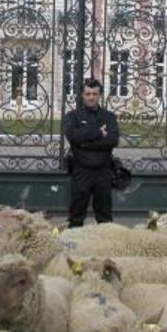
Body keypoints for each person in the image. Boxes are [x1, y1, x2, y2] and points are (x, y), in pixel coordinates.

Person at [64, 78, 119, 228]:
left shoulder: (109, 117)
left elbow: (113, 141)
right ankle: (73, 247)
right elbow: (73, 137)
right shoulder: (73, 116)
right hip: (81, 171)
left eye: (95, 94)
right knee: (76, 216)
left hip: (103, 172)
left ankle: (105, 248)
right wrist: (98, 133)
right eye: (88, 93)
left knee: (105, 218)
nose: (91, 97)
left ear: (100, 95)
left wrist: (84, 143)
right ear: (82, 95)